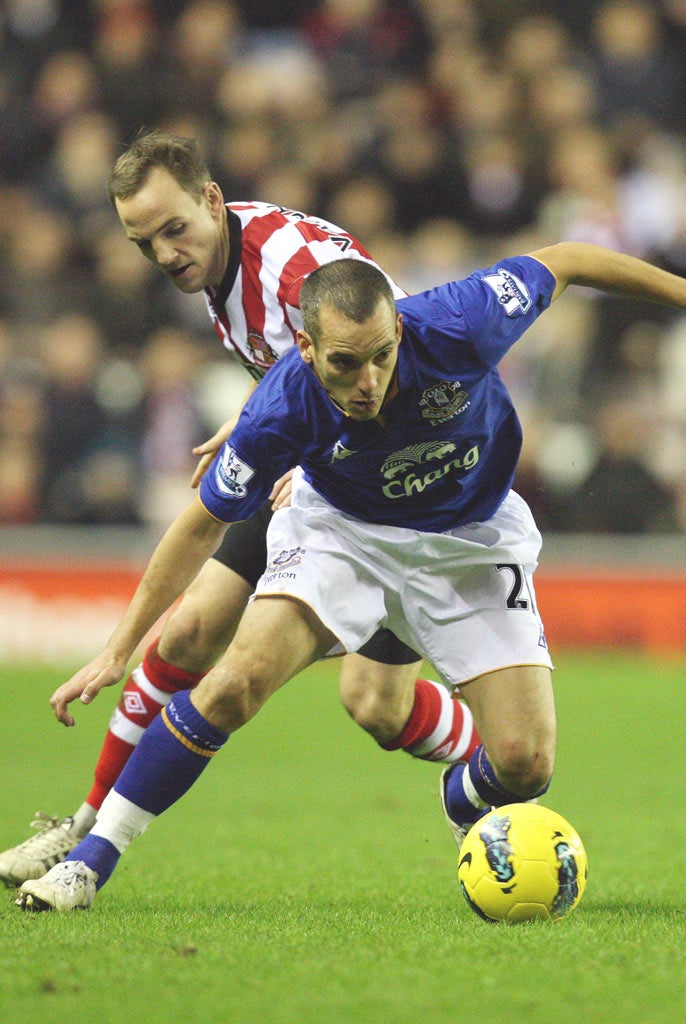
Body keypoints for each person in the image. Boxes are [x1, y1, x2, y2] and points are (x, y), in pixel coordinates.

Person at [16, 245, 686, 911]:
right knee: (234, 680)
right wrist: (120, 647)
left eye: (382, 354)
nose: (369, 380)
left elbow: (570, 260)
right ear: (305, 348)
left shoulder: (461, 321)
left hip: (471, 540)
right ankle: (91, 859)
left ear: (399, 329)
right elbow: (199, 524)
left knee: (525, 763)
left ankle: (459, 794)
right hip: (345, 535)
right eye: (346, 363)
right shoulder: (281, 407)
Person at [0, 131, 480, 888]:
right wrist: (274, 414)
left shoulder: (293, 264)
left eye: (173, 229)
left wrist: (324, 438)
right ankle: (85, 830)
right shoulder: (219, 272)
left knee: (375, 704)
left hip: (390, 489)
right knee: (190, 629)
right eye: (144, 242)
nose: (163, 254)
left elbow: (391, 341)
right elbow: (296, 367)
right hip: (314, 470)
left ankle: (486, 757)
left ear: (212, 200)